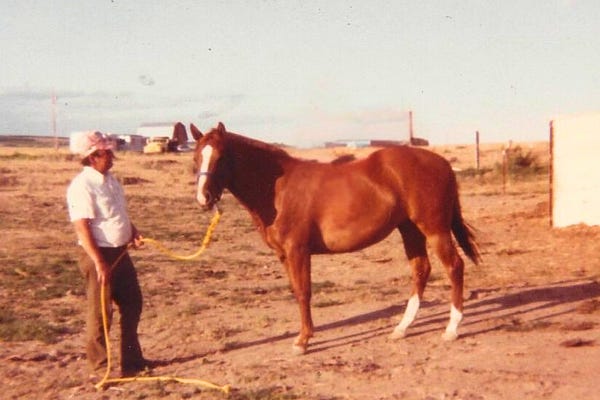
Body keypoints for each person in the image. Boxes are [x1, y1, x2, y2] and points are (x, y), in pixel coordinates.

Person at [66, 131, 148, 377]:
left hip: (120, 252)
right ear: (93, 157)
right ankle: (100, 368)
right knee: (100, 313)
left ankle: (132, 360)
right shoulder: (82, 186)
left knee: (133, 303)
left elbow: (117, 213)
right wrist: (99, 262)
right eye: (106, 152)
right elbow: (82, 227)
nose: (112, 156)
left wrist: (132, 231)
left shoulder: (111, 181)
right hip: (99, 255)